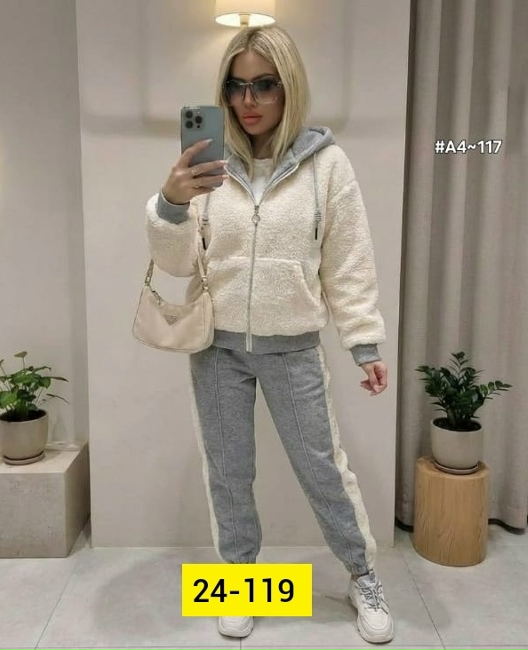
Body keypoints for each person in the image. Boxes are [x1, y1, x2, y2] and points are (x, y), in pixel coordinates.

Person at [145, 24, 394, 645]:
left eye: (264, 85)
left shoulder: (326, 166)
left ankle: (363, 576)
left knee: (323, 469)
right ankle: (238, 582)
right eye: (235, 86)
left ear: (289, 87)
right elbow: (178, 263)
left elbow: (348, 261)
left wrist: (363, 342)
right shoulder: (208, 164)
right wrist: (171, 204)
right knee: (228, 472)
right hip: (216, 346)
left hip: (293, 347)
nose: (248, 100)